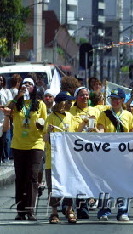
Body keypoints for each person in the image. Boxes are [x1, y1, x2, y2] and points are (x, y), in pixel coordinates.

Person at [8, 77, 47, 220]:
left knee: (32, 177)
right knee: (20, 178)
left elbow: (45, 124)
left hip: (35, 144)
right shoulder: (17, 103)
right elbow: (7, 110)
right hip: (18, 144)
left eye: (30, 84)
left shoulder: (40, 104)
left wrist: (41, 125)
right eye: (24, 84)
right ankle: (20, 211)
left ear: (34, 88)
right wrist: (17, 96)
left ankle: (30, 211)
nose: (27, 86)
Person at [96, 88, 133, 222]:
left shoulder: (128, 115)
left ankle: (123, 210)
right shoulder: (104, 114)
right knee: (106, 182)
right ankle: (104, 210)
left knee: (123, 182)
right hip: (108, 154)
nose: (115, 101)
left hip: (124, 154)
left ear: (122, 100)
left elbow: (132, 134)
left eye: (117, 99)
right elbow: (101, 130)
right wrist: (96, 131)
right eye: (112, 98)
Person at [43, 91, 78, 224]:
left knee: (69, 184)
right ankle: (54, 212)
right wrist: (50, 132)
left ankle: (69, 210)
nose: (71, 103)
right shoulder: (51, 117)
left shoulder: (70, 116)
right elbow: (45, 138)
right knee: (53, 187)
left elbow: (75, 135)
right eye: (68, 101)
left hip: (68, 159)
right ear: (62, 103)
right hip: (53, 159)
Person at [69, 86, 101, 219]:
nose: (85, 97)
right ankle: (81, 206)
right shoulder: (70, 111)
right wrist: (84, 122)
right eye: (82, 95)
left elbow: (102, 127)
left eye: (87, 95)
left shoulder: (95, 110)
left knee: (91, 177)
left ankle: (89, 201)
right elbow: (71, 132)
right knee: (78, 177)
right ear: (76, 97)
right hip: (77, 149)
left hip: (92, 149)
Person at [0, 74, 13, 163]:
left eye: (1, 80)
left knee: (3, 141)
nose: (0, 82)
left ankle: (4, 156)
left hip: (3, 120)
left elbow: (10, 104)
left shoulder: (6, 92)